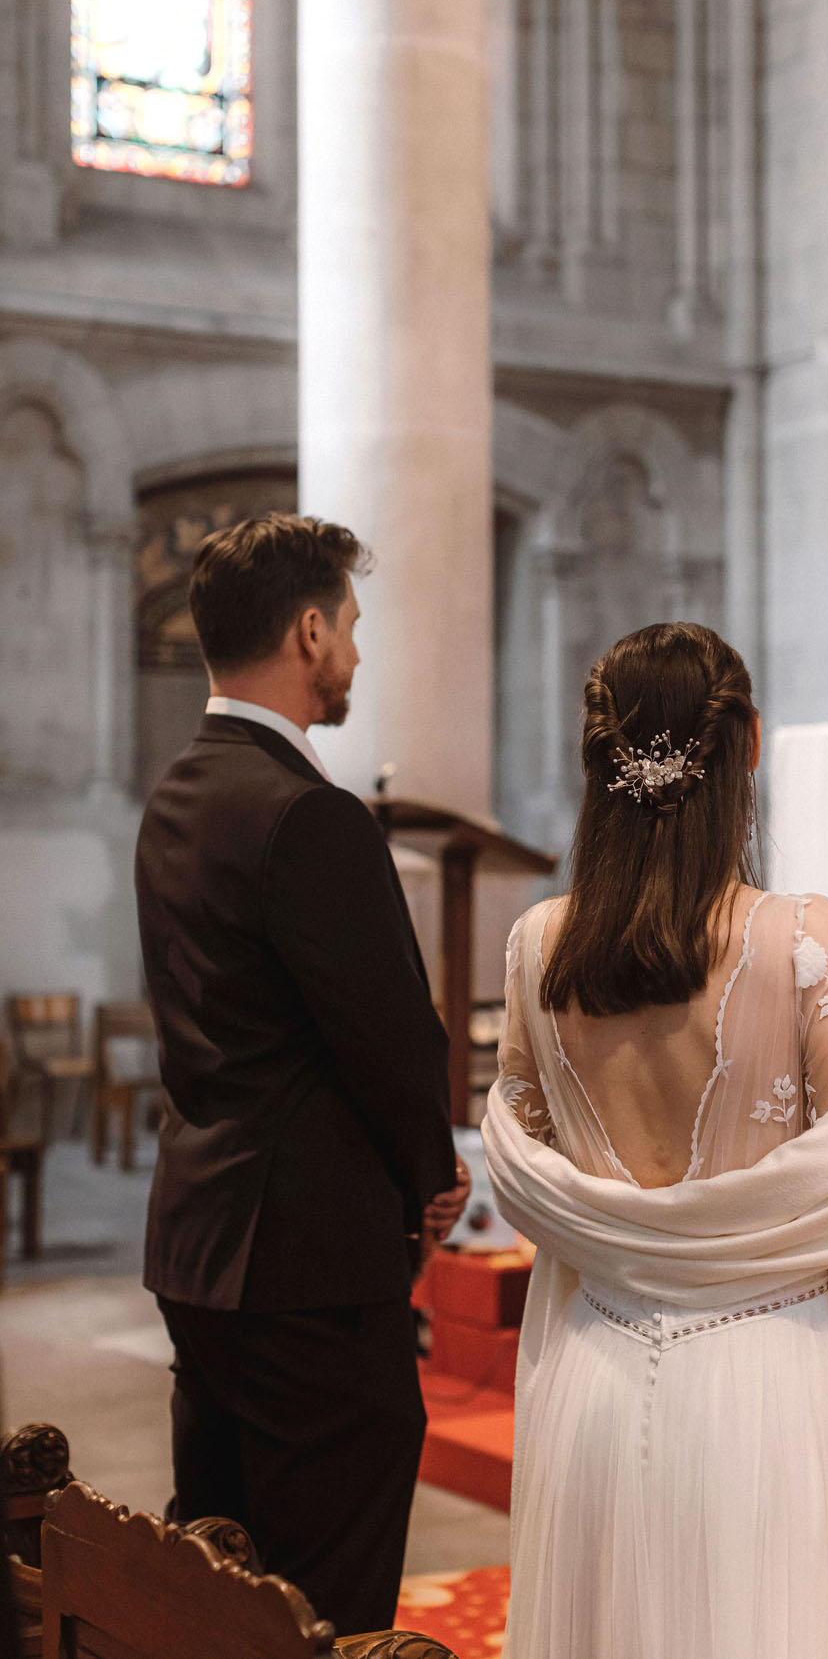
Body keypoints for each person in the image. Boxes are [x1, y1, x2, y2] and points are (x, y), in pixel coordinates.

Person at [482, 623, 828, 1659]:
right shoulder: (801, 935)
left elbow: (521, 1166)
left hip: (598, 1373)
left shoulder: (536, 945)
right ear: (749, 745)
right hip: (768, 1377)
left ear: (596, 759)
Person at [135, 514, 468, 1636]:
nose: (358, 655)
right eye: (352, 628)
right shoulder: (307, 812)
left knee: (212, 1578)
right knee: (324, 1594)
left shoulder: (180, 791)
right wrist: (431, 1176)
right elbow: (391, 1038)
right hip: (305, 1265)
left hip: (201, 1243)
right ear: (310, 632)